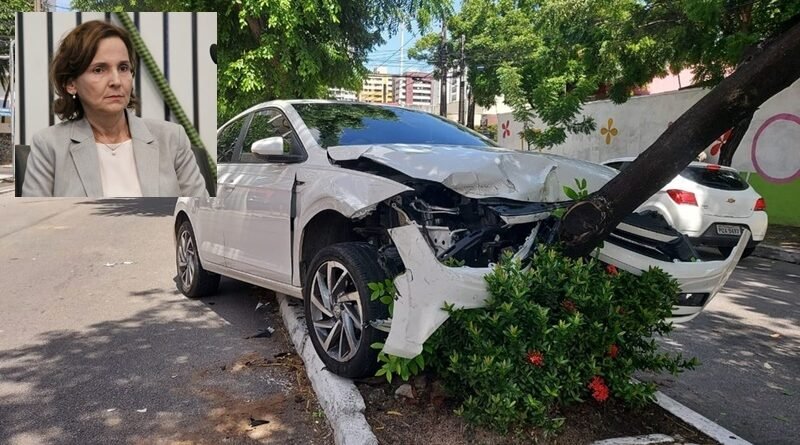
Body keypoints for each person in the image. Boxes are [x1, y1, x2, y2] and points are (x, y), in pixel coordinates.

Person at [22, 20, 208, 197]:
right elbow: (33, 224)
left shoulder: (172, 138)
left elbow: (201, 214)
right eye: (99, 70)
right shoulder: (48, 146)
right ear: (71, 84)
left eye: (123, 68)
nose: (116, 81)